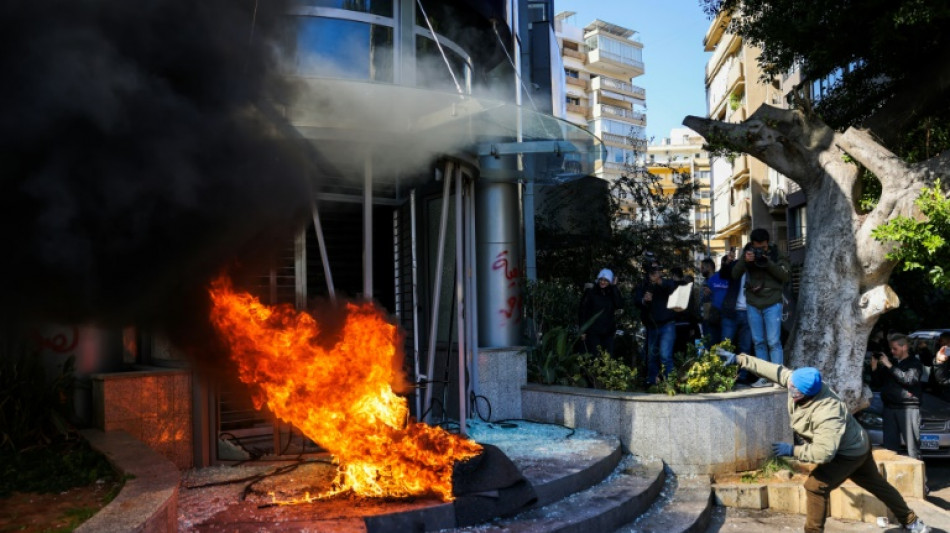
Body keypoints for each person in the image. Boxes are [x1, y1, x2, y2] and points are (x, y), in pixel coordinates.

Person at [725, 352, 931, 533]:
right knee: (877, 485)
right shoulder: (801, 382)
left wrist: (793, 450)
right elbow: (776, 371)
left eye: (792, 387)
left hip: (847, 453)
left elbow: (824, 453)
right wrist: (740, 359)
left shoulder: (827, 413)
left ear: (802, 393)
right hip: (857, 442)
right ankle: (912, 522)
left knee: (815, 487)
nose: (787, 385)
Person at [732, 228, 790, 387]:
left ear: (768, 243)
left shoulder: (776, 253)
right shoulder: (747, 253)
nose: (760, 251)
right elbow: (734, 274)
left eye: (764, 247)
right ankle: (764, 377)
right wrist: (744, 260)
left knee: (773, 341)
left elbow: (785, 276)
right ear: (752, 244)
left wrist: (767, 261)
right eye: (758, 248)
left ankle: (778, 377)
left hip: (773, 302)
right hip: (753, 303)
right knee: (758, 342)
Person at [871, 333, 924, 459]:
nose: (892, 351)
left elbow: (909, 380)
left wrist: (889, 365)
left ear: (904, 347)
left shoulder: (914, 363)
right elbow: (877, 383)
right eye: (891, 349)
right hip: (889, 407)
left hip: (908, 408)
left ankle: (919, 476)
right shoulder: (891, 363)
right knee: (890, 448)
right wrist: (874, 367)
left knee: (912, 448)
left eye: (895, 348)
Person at [634, 263, 680, 385]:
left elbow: (674, 290)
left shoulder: (666, 283)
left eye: (657, 271)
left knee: (665, 355)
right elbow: (636, 300)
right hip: (651, 326)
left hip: (667, 324)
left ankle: (669, 382)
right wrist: (644, 300)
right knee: (651, 356)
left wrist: (659, 281)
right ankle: (652, 382)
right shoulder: (644, 285)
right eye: (652, 271)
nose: (655, 273)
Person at [578, 268, 624, 357]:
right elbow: (582, 311)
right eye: (601, 280)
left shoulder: (612, 292)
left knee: (607, 357)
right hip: (593, 331)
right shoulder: (591, 292)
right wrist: (582, 330)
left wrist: (614, 287)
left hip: (608, 332)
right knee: (594, 356)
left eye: (606, 280)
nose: (603, 282)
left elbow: (619, 304)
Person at [702, 256, 730, 345]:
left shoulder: (727, 278)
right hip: (711, 316)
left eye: (703, 267)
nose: (701, 270)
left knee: (724, 343)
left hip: (725, 315)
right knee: (711, 342)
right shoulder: (709, 280)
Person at [930, 332, 950, 400]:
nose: (946, 346)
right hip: (943, 392)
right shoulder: (940, 353)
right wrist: (939, 362)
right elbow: (942, 380)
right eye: (942, 342)